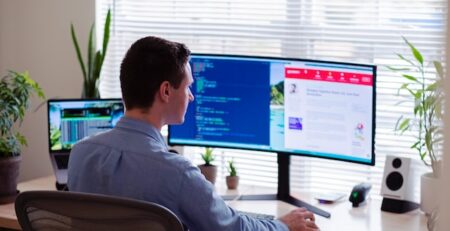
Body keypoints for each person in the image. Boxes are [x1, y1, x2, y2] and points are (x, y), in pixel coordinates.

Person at [68, 36, 319, 231]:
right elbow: (235, 228)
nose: (191, 96)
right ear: (166, 91)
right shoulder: (176, 172)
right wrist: (283, 225)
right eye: (188, 86)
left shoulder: (80, 154)